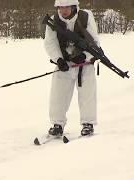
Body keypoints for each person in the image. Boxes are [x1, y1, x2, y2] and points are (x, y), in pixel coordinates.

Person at [44, 0, 100, 136]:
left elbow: (94, 41)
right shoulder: (53, 20)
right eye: (60, 7)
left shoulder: (85, 17)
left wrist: (84, 56)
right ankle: (57, 124)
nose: (63, 10)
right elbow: (50, 43)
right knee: (58, 94)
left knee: (87, 94)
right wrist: (59, 59)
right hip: (65, 64)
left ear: (74, 6)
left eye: (66, 7)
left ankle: (88, 123)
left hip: (85, 64)